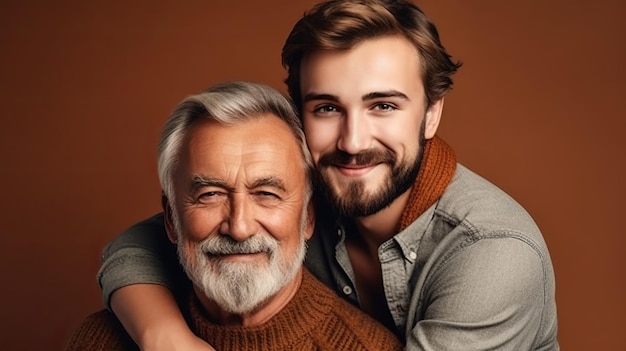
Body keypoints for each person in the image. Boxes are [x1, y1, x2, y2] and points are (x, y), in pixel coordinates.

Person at [98, 1, 559, 350]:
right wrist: (163, 334)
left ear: (431, 114)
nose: (353, 141)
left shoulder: (493, 252)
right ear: (300, 115)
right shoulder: (299, 192)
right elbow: (152, 239)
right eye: (327, 108)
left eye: (383, 105)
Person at [66, 81, 403, 351]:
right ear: (170, 218)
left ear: (308, 218)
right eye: (210, 195)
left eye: (267, 195)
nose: (239, 228)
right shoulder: (102, 341)